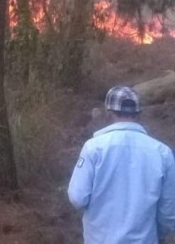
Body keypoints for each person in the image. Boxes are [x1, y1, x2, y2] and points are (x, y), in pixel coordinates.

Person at [68, 86, 175, 243]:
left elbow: (77, 198)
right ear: (138, 115)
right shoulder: (163, 153)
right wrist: (159, 233)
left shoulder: (93, 148)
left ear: (108, 114)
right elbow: (168, 211)